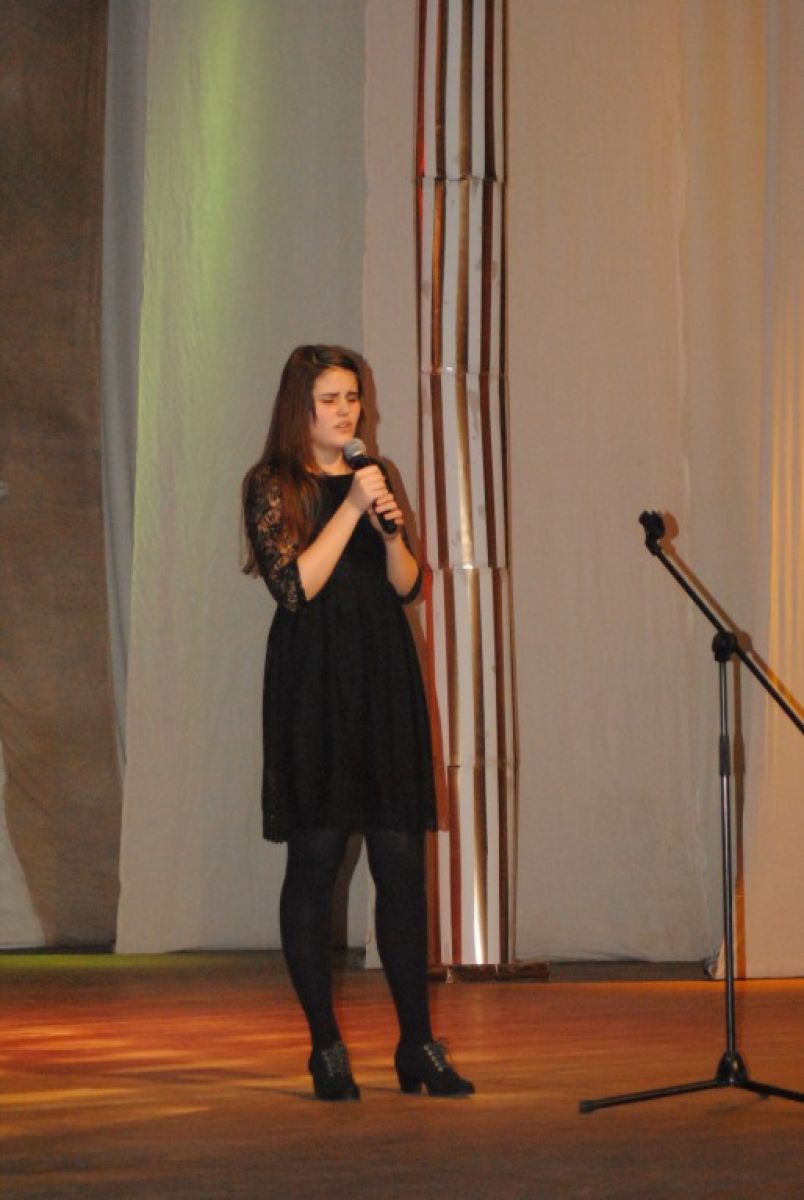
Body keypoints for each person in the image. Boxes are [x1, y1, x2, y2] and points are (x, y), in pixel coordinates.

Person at [242, 344, 473, 1102]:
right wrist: (347, 511)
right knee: (316, 860)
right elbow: (294, 589)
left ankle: (417, 1046)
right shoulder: (271, 484)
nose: (348, 412)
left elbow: (407, 586)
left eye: (353, 398)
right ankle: (326, 1048)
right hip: (314, 684)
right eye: (332, 399)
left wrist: (391, 530)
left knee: (401, 862)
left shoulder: (377, 476)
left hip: (382, 675)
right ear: (299, 408)